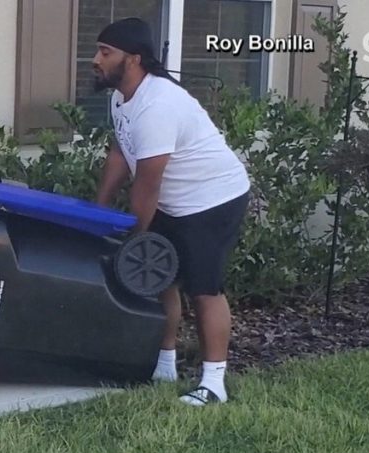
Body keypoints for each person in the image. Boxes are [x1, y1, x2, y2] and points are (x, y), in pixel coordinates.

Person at [91, 17, 251, 406]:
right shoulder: (122, 97)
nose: (95, 60)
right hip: (174, 199)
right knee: (160, 276)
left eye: (105, 52)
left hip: (213, 199)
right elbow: (120, 151)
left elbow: (148, 184)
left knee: (204, 288)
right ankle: (164, 364)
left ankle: (214, 383)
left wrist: (136, 237)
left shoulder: (158, 105)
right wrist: (98, 212)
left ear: (134, 59)